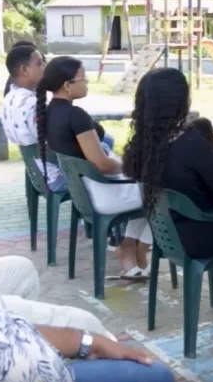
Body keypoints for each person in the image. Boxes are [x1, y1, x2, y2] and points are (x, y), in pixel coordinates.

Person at [0, 65, 175, 382]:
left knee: (75, 321)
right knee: (154, 376)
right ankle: (131, 248)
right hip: (36, 374)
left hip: (17, 342)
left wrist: (81, 341)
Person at [122, 68, 213, 304]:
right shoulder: (191, 144)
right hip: (199, 236)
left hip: (166, 235)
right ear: (180, 101)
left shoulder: (141, 146)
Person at [37, 56, 150, 278]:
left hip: (83, 194)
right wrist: (133, 168)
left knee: (148, 189)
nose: (86, 83)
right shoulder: (75, 115)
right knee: (161, 191)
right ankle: (136, 248)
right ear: (68, 85)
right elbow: (103, 164)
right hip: (101, 194)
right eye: (83, 78)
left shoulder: (49, 113)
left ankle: (128, 251)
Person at [1, 44, 69, 191]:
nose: (45, 67)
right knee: (102, 156)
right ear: (24, 70)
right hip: (54, 177)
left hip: (37, 173)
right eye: (40, 63)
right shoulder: (31, 104)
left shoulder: (9, 98)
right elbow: (56, 143)